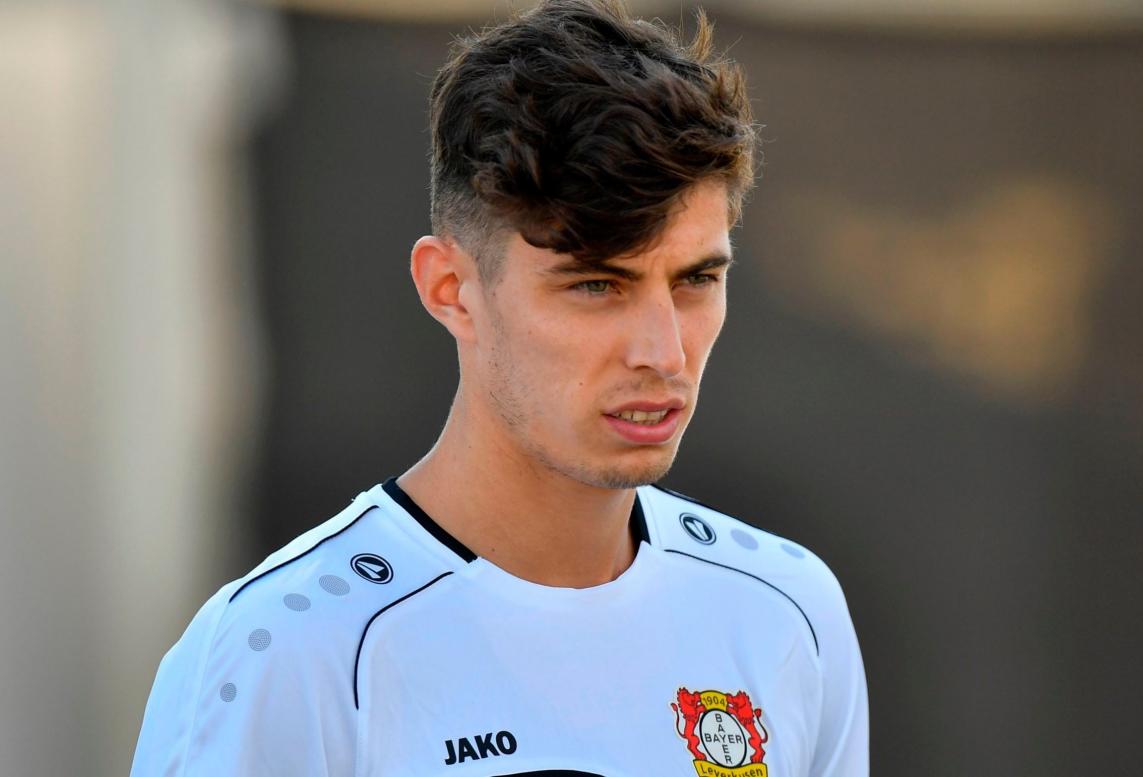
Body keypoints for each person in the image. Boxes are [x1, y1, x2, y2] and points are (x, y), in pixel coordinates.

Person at [130, 1, 868, 774]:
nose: (662, 350)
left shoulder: (785, 608)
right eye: (595, 285)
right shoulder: (285, 647)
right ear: (450, 287)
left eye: (696, 279)